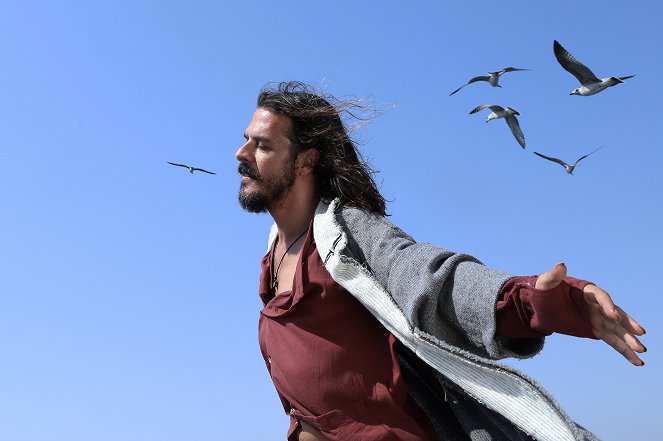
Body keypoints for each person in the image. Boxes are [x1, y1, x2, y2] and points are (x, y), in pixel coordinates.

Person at [235, 81, 646, 441]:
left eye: (263, 145)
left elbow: (427, 277)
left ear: (306, 160)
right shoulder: (272, 260)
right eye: (247, 140)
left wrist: (536, 302)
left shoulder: (347, 235)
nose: (242, 153)